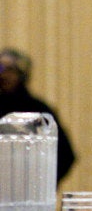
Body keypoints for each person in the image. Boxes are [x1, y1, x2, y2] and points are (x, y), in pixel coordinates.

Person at [0, 47, 76, 183]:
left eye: (10, 70)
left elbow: (66, 155)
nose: (3, 75)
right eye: (1, 69)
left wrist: (41, 183)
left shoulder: (38, 111)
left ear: (22, 74)